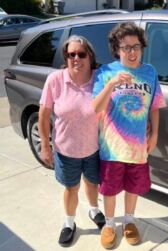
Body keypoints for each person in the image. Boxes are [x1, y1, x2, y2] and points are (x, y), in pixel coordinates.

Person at [92, 22, 166, 249]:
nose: (131, 52)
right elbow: (95, 108)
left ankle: (129, 221)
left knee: (133, 186)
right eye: (125, 47)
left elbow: (154, 106)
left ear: (142, 47)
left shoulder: (149, 72)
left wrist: (154, 135)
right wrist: (111, 84)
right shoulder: (106, 72)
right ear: (117, 49)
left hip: (138, 146)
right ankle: (109, 224)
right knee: (110, 188)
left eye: (136, 46)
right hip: (111, 146)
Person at [38, 35, 105, 247]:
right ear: (65, 57)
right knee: (71, 188)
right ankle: (69, 223)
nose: (76, 58)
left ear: (90, 55)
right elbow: (43, 115)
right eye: (71, 54)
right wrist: (46, 147)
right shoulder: (55, 80)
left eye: (81, 53)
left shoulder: (99, 78)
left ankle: (94, 210)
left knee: (92, 183)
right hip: (66, 150)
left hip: (94, 147)